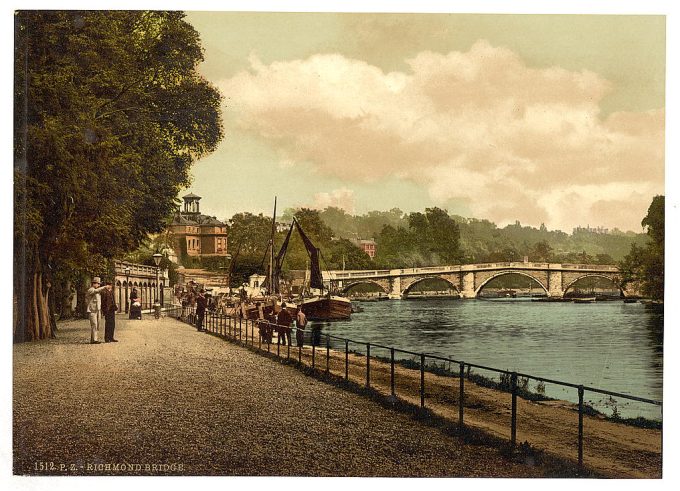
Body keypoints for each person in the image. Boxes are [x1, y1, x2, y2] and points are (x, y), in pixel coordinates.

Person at [85, 277, 108, 344]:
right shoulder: (91, 290)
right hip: (92, 310)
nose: (98, 285)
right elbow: (96, 291)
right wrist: (104, 287)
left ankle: (94, 339)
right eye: (98, 284)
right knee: (94, 324)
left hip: (97, 310)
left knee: (97, 325)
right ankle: (94, 340)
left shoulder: (97, 291)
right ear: (94, 283)